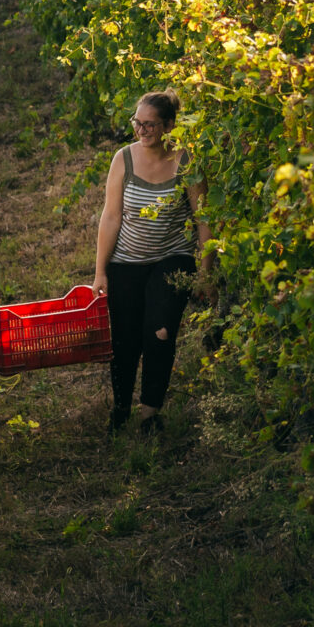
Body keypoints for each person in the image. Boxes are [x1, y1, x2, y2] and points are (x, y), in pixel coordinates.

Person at [93, 90, 208, 433]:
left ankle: (150, 413)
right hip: (126, 261)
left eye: (150, 125)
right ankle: (121, 408)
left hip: (173, 258)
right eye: (137, 123)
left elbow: (204, 219)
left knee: (159, 332)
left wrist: (205, 273)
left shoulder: (187, 161)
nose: (142, 131)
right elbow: (111, 217)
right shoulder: (123, 159)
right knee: (124, 339)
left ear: (169, 126)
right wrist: (100, 272)